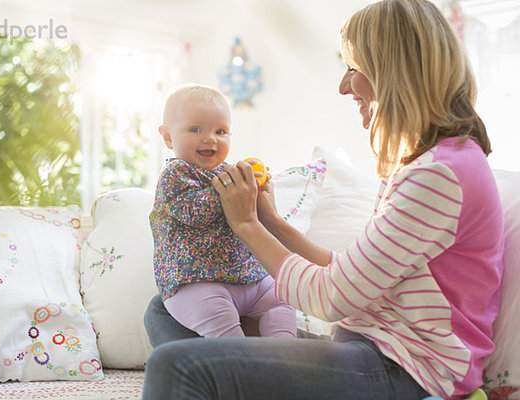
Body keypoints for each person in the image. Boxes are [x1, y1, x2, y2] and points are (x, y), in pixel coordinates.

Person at [141, 0, 505, 399]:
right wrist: (272, 223)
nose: (344, 85)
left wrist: (246, 225)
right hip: (370, 347)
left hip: (407, 371)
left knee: (176, 364)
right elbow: (350, 276)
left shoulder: (439, 175)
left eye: (353, 68)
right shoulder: (430, 165)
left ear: (392, 72)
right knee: (166, 307)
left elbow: (329, 297)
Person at [149, 83, 297, 339]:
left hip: (249, 277)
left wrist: (257, 192)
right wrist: (231, 189)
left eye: (221, 131)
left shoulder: (226, 172)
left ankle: (285, 352)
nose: (210, 138)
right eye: (196, 129)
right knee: (219, 317)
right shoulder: (176, 174)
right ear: (168, 137)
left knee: (281, 298)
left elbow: (253, 220)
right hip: (197, 282)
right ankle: (237, 360)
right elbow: (193, 213)